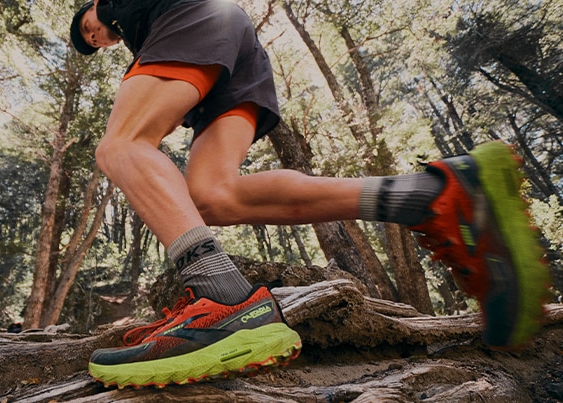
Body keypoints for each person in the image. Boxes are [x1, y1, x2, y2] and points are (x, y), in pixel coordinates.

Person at [69, 0, 550, 388]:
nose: (93, 37)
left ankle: (225, 299)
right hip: (233, 44)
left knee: (122, 145)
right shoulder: (138, 32)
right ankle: (429, 196)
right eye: (90, 42)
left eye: (86, 28)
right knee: (213, 197)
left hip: (195, 15)